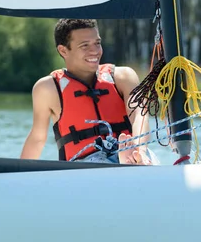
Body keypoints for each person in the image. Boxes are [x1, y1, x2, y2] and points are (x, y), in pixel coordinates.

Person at [19, 18, 150, 165]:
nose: (94, 51)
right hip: (84, 164)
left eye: (97, 43)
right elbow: (38, 138)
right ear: (63, 50)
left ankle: (130, 158)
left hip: (134, 155)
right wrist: (17, 174)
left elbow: (139, 115)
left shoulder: (123, 76)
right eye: (85, 46)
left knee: (138, 158)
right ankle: (123, 162)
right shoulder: (48, 89)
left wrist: (141, 150)